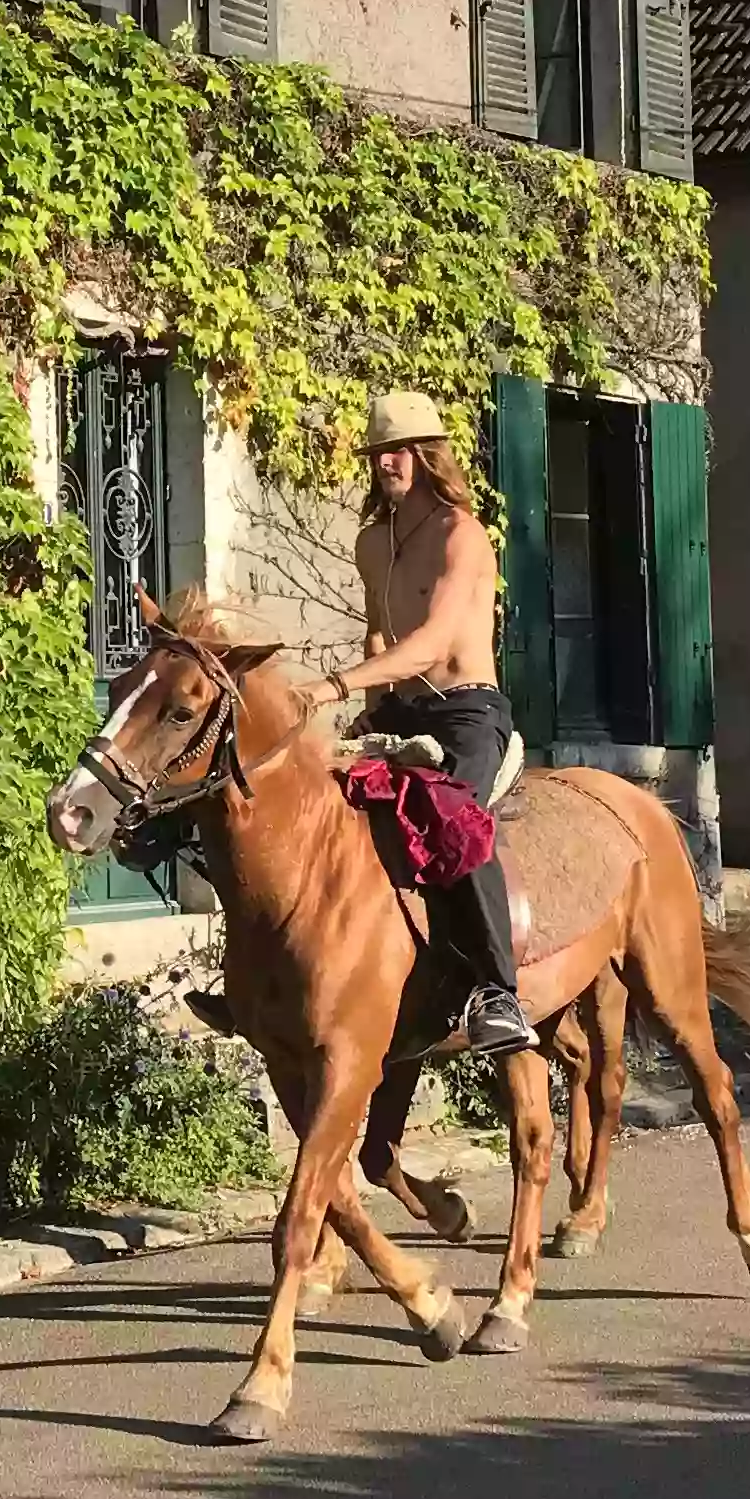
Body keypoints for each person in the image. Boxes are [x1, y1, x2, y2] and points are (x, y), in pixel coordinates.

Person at [317, 389, 535, 1060]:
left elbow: (435, 643)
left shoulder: (460, 535)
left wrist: (330, 687)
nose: (388, 463)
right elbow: (378, 632)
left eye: (401, 450)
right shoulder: (371, 544)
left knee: (450, 816)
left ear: (429, 455)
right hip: (397, 710)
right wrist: (365, 709)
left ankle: (500, 994)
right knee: (319, 802)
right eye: (379, 452)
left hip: (467, 709)